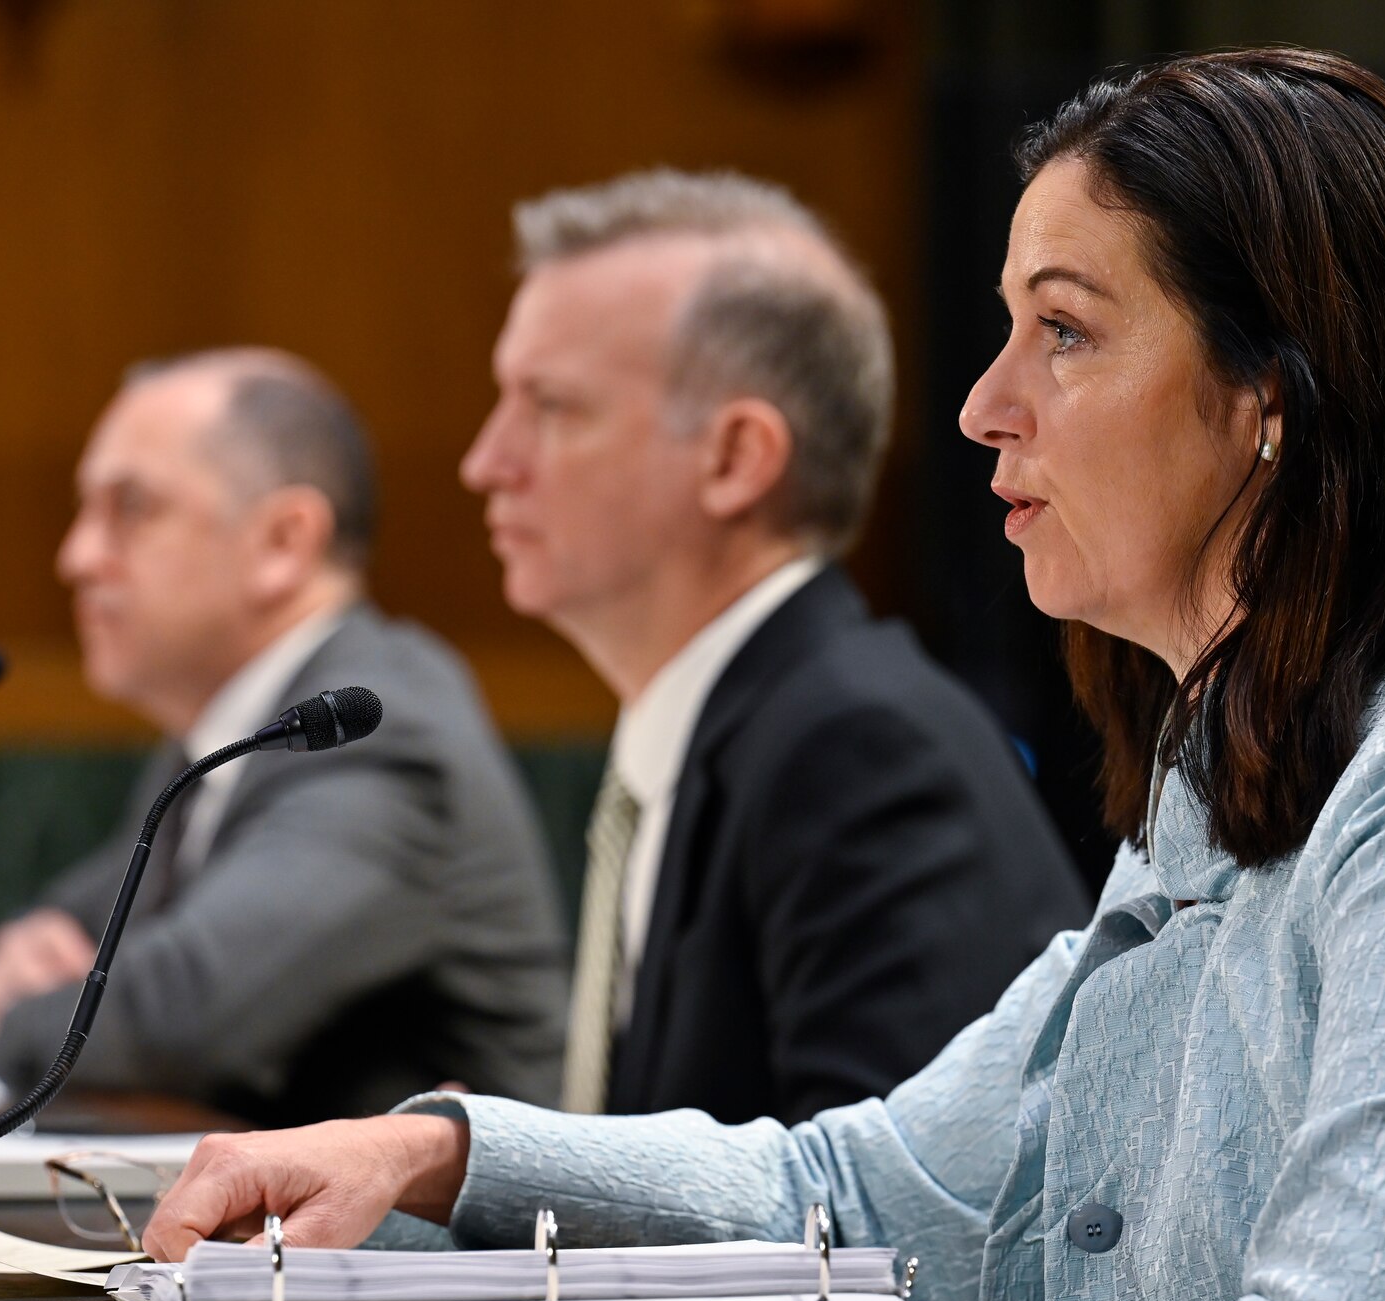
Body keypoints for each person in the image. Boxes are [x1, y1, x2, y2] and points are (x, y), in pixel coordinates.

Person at [140, 51, 1385, 1301]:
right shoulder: (1226, 767)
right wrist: (441, 1145)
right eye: (1004, 330)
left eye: (1064, 331)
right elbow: (865, 1188)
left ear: (1272, 390)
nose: (984, 407)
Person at [459, 169, 1088, 1125]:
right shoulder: (730, 728)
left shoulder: (858, 747)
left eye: (550, 406)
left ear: (735, 459)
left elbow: (881, 1233)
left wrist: (499, 1175)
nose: (486, 462)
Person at [0, 349, 569, 1127]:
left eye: (132, 508)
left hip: (460, 1246)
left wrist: (13, 1007)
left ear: (284, 541)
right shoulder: (227, 731)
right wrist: (27, 953)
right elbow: (82, 927)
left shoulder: (373, 729)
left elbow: (178, 1022)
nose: (76, 556)